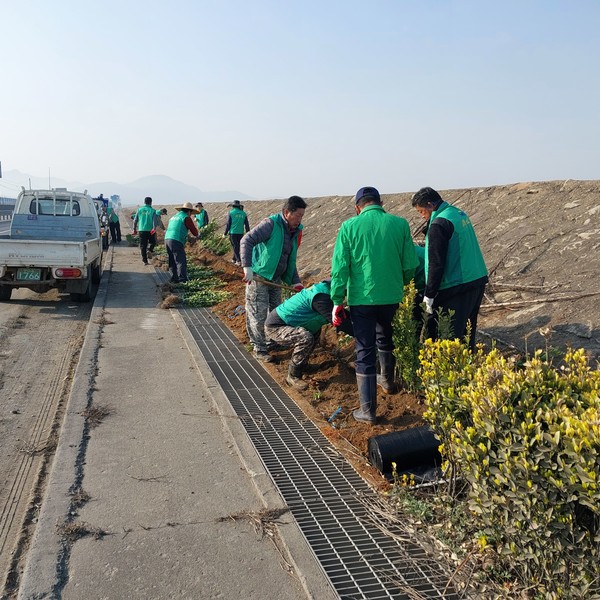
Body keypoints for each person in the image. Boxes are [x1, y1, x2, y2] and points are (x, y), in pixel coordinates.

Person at [330, 186, 418, 424]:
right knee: (385, 334)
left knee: (364, 350)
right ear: (380, 203)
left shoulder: (349, 226)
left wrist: (337, 300)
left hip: (362, 299)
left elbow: (340, 269)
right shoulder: (399, 224)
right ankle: (387, 381)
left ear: (358, 207)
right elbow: (410, 263)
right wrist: (400, 283)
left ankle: (368, 411)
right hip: (391, 296)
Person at [411, 186, 488, 351]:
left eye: (421, 212)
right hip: (476, 278)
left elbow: (436, 264)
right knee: (467, 332)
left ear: (430, 205)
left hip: (456, 285)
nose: (422, 216)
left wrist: (429, 295)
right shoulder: (457, 213)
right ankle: (469, 369)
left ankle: (453, 374)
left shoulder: (439, 224)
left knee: (448, 336)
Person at [240, 195, 307, 363]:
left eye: (302, 216)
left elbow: (288, 258)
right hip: (259, 276)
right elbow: (246, 240)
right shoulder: (271, 224)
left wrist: (295, 281)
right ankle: (259, 348)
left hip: (275, 278)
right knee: (258, 313)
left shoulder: (294, 231)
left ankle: (272, 341)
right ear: (286, 212)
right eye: (297, 215)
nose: (299, 219)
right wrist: (247, 266)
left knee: (276, 312)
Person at [265, 279, 353, 390]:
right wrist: (365, 335)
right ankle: (293, 375)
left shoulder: (327, 291)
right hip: (276, 327)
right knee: (305, 338)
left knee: (314, 331)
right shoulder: (321, 298)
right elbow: (340, 322)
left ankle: (303, 365)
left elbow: (343, 314)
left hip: (292, 324)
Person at [164, 202, 199, 284]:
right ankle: (182, 279)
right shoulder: (186, 218)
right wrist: (198, 235)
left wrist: (188, 237)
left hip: (167, 239)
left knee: (172, 260)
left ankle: (174, 278)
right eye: (191, 213)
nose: (190, 215)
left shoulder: (174, 217)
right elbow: (194, 232)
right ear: (189, 211)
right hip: (176, 240)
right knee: (180, 260)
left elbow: (177, 228)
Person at [133, 197, 159, 265]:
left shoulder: (139, 209)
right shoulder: (153, 211)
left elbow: (135, 220)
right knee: (153, 242)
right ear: (151, 202)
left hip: (141, 230)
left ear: (144, 202)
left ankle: (145, 261)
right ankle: (149, 250)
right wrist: (154, 228)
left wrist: (134, 229)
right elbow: (154, 221)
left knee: (143, 246)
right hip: (150, 230)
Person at [224, 200, 250, 265]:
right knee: (237, 246)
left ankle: (238, 260)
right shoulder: (243, 214)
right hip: (241, 233)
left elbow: (228, 224)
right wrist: (248, 233)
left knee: (235, 246)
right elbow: (247, 225)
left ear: (233, 206)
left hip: (233, 232)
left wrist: (225, 233)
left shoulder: (231, 213)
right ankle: (234, 259)